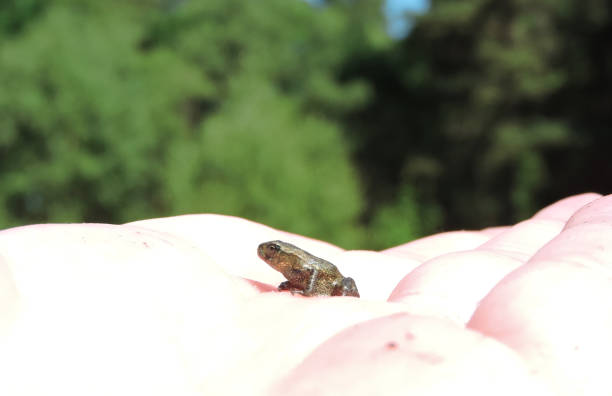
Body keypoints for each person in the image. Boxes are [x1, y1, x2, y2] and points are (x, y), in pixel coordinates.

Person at [0, 193, 608, 395]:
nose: (268, 259)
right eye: (268, 259)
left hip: (338, 281)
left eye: (271, 256)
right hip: (317, 283)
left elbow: (323, 279)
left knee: (333, 280)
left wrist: (312, 293)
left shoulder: (299, 264)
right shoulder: (283, 264)